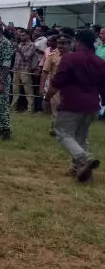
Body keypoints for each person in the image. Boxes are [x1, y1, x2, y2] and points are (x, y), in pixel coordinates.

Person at [46, 29, 105, 182]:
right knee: (81, 137)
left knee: (63, 133)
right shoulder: (99, 61)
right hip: (92, 105)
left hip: (72, 104)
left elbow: (57, 81)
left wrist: (47, 98)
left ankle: (83, 159)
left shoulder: (70, 59)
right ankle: (81, 172)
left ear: (78, 42)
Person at [41, 34, 64, 136]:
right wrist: (42, 87)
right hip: (54, 87)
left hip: (68, 87)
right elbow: (45, 72)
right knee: (56, 109)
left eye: (64, 43)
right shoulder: (52, 55)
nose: (62, 46)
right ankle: (55, 130)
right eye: (60, 43)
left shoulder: (71, 56)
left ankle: (58, 129)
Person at [10, 29, 36, 113]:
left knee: (28, 90)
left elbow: (26, 57)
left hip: (25, 69)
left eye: (23, 35)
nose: (21, 37)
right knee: (15, 90)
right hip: (16, 69)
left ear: (29, 36)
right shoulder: (20, 44)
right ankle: (13, 107)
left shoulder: (32, 45)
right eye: (20, 35)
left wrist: (17, 48)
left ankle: (30, 109)